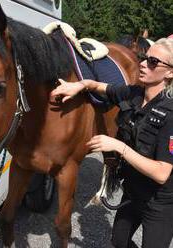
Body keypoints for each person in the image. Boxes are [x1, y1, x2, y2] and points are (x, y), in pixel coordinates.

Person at [51, 38, 173, 248]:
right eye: (144, 58)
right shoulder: (135, 93)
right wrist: (79, 85)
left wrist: (118, 147)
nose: (142, 64)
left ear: (170, 72)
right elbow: (100, 86)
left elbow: (162, 173)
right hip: (132, 190)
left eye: (153, 62)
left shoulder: (170, 113)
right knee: (118, 241)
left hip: (159, 202)